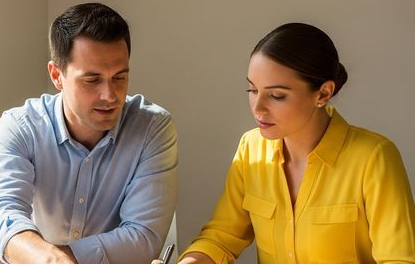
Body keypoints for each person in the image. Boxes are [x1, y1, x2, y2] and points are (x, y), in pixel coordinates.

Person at [160, 23, 415, 264]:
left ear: (323, 93)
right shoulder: (251, 149)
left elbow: (400, 258)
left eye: (276, 95)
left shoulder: (374, 158)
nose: (258, 108)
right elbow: (221, 239)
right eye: (252, 90)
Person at [0, 2, 179, 264]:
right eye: (92, 80)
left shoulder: (152, 129)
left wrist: (33, 254)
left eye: (119, 77)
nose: (110, 95)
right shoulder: (19, 127)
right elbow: (2, 212)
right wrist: (19, 245)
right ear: (57, 75)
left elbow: (142, 239)